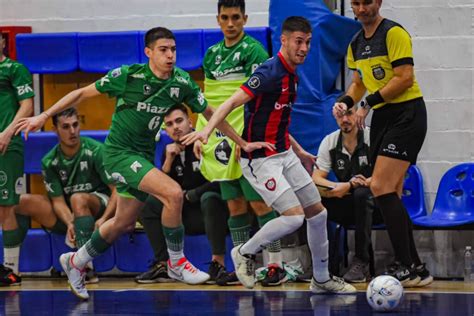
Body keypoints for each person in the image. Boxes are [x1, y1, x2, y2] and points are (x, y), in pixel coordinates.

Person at [15, 27, 269, 300]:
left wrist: (241, 143)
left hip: (143, 155)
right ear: (148, 52)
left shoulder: (181, 82)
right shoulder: (128, 75)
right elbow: (81, 95)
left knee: (122, 223)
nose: (170, 55)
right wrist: (43, 116)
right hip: (119, 153)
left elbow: (209, 111)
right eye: (163, 50)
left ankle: (76, 261)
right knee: (172, 193)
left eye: (173, 49)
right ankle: (175, 262)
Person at [183, 16, 356, 294]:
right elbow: (229, 102)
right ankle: (244, 252)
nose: (304, 48)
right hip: (259, 159)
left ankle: (321, 279)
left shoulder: (292, 75)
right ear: (284, 41)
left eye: (308, 43)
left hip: (285, 154)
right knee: (294, 217)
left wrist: (299, 151)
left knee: (318, 214)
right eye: (298, 42)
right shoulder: (267, 73)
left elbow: (279, 119)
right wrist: (206, 132)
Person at [333, 0, 432, 287]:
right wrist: (345, 102)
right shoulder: (354, 43)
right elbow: (358, 83)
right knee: (391, 191)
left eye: (367, 2)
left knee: (379, 187)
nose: (361, 8)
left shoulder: (393, 33)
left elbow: (404, 78)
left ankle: (408, 265)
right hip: (383, 118)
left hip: (407, 114)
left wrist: (367, 104)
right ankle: (416, 268)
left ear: (378, 2)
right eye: (356, 3)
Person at [196, 0, 286, 287]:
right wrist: (206, 134)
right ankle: (242, 265)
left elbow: (259, 98)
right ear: (218, 19)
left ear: (245, 18)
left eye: (236, 17)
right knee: (234, 205)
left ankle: (275, 266)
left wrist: (246, 137)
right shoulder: (211, 55)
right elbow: (209, 101)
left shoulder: (254, 51)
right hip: (222, 140)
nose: (231, 23)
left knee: (259, 204)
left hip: (246, 139)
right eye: (225, 17)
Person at [15, 108, 117, 283]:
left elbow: (117, 190)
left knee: (78, 198)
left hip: (98, 209)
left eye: (75, 125)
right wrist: (70, 222)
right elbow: (58, 201)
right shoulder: (49, 161)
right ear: (55, 129)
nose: (72, 131)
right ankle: (12, 268)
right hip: (70, 213)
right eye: (66, 126)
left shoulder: (96, 150)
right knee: (21, 202)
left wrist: (105, 218)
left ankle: (86, 268)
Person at [135, 104, 229, 284]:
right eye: (169, 124)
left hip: (210, 213)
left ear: (190, 122)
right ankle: (164, 265)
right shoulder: (169, 150)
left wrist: (191, 194)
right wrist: (168, 162)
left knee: (210, 198)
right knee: (148, 204)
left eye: (179, 121)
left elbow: (221, 180)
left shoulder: (207, 142)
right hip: (183, 216)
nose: (175, 127)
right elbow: (160, 190)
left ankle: (218, 265)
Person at [312, 105, 383, 283]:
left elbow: (388, 175)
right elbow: (316, 178)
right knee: (313, 199)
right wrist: (339, 186)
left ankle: (362, 263)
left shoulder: (371, 136)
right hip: (350, 203)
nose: (345, 119)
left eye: (349, 113)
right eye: (340, 115)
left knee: (361, 194)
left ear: (357, 113)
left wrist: (360, 184)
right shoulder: (329, 141)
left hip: (378, 205)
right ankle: (323, 266)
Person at [0, 31, 34, 285]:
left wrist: (7, 133)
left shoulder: (15, 69)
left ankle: (12, 269)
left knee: (5, 205)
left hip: (6, 146)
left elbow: (27, 105)